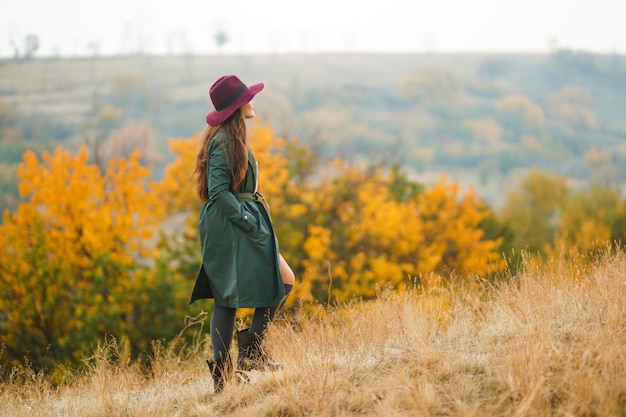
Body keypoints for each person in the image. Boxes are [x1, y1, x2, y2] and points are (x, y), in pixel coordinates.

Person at [190, 74, 295, 393]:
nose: (253, 101)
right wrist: (250, 223)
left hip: (240, 221)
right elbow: (219, 192)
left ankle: (252, 353)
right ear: (238, 106)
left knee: (280, 279)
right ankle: (228, 375)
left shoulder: (231, 137)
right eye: (248, 97)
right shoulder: (222, 141)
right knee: (228, 299)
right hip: (231, 226)